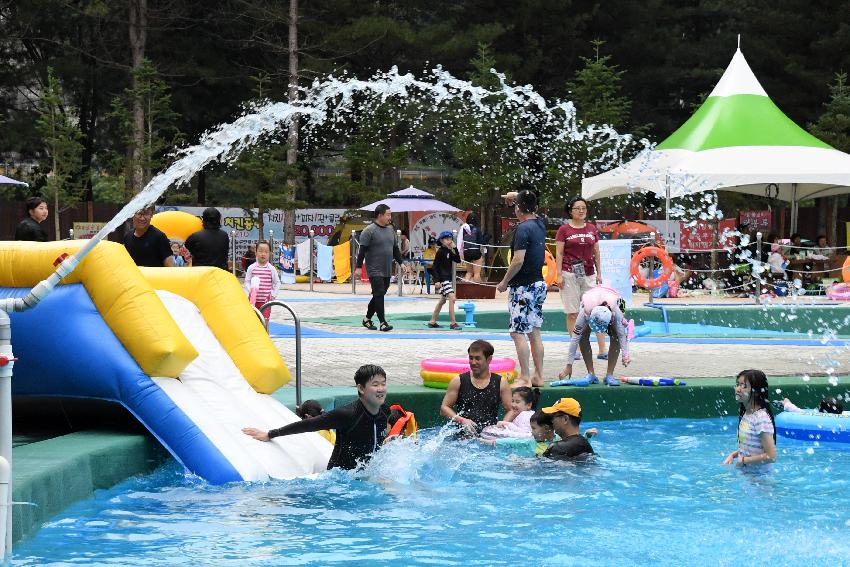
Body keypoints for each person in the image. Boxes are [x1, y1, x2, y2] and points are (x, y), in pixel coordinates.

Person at [242, 364, 391, 470]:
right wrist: (270, 434)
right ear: (361, 388)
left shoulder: (384, 412)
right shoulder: (347, 414)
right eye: (375, 384)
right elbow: (308, 424)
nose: (381, 389)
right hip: (341, 479)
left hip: (369, 475)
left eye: (383, 384)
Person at [496, 190, 547, 388]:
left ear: (517, 208)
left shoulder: (523, 229)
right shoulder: (539, 224)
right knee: (534, 331)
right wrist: (519, 196)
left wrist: (504, 282)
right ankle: (539, 376)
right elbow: (531, 204)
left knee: (518, 332)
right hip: (538, 284)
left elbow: (518, 260)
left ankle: (525, 377)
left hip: (523, 287)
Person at [555, 197, 607, 366]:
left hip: (589, 274)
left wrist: (600, 273)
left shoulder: (592, 229)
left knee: (596, 310)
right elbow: (560, 254)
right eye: (577, 208)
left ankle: (602, 348)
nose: (581, 211)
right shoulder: (564, 230)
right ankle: (575, 347)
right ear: (570, 211)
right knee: (572, 312)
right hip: (569, 274)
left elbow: (597, 252)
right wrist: (558, 275)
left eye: (583, 208)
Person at [440, 340, 516, 437]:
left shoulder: (501, 383)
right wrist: (462, 420)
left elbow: (510, 410)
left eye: (478, 358)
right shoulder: (458, 381)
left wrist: (501, 427)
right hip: (462, 437)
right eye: (471, 358)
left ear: (489, 359)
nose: (473, 362)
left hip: (488, 437)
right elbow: (444, 408)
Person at [558, 286, 630, 387]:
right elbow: (575, 339)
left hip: (611, 296)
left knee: (616, 336)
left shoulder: (616, 313)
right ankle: (591, 373)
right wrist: (568, 365)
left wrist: (625, 354)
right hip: (594, 298)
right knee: (582, 337)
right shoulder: (584, 312)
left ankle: (609, 374)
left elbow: (622, 335)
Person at [354, 204, 410, 332]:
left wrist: (401, 263)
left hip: (386, 268)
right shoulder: (369, 230)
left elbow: (395, 249)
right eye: (388, 214)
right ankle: (383, 322)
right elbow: (362, 250)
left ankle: (367, 319)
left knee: (379, 294)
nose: (390, 217)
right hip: (374, 268)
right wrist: (358, 267)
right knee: (379, 293)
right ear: (380, 215)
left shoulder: (390, 230)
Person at [723, 369, 777, 467]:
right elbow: (750, 447)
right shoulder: (747, 414)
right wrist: (733, 455)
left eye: (744, 386)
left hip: (760, 479)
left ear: (756, 391)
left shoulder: (761, 419)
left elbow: (771, 456)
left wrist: (743, 460)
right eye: (737, 384)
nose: (738, 389)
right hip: (747, 476)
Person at [427, 230, 462, 330]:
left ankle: (432, 321)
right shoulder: (441, 252)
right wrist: (436, 280)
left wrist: (455, 248)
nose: (449, 241)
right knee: (452, 297)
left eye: (450, 239)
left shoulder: (449, 251)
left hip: (447, 278)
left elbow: (458, 260)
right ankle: (453, 322)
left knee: (442, 300)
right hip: (443, 279)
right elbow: (435, 267)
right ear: (441, 241)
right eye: (447, 239)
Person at [244, 240, 281, 319]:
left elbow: (277, 282)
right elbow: (247, 281)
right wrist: (250, 290)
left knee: (265, 320)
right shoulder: (251, 268)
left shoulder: (271, 268)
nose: (263, 254)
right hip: (253, 300)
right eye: (260, 251)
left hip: (266, 301)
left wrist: (273, 295)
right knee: (254, 319)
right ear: (256, 252)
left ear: (270, 254)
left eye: (266, 252)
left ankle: (266, 331)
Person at [463, 213, 487, 283]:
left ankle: (464, 289)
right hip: (475, 251)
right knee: (477, 273)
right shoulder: (477, 229)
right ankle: (477, 291)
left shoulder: (464, 229)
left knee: (469, 272)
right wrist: (486, 237)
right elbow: (481, 242)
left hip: (466, 252)